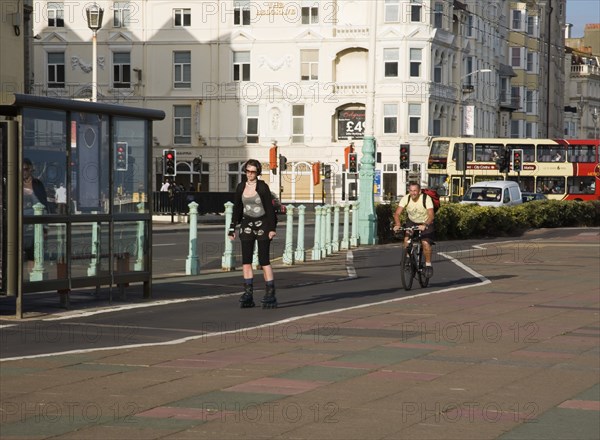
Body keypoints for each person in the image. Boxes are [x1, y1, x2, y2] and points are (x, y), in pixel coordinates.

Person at [228, 159, 278, 308]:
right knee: (246, 260)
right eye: (247, 171)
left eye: (253, 172)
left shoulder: (262, 187)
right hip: (247, 224)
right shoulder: (240, 187)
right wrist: (232, 227)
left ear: (258, 173)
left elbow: (270, 209)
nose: (250, 174)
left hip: (263, 224)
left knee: (264, 261)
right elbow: (237, 208)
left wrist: (272, 229)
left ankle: (270, 293)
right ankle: (248, 293)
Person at [392, 182, 435, 278]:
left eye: (415, 190)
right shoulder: (406, 198)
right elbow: (397, 214)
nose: (413, 193)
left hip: (426, 221)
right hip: (412, 221)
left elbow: (431, 215)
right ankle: (408, 259)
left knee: (425, 243)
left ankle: (428, 264)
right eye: (411, 190)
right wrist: (398, 224)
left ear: (419, 191)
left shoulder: (425, 199)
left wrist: (425, 224)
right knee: (406, 240)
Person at [23, 158, 49, 264]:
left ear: (30, 169)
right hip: (19, 226)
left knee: (32, 258)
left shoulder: (38, 184)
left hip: (34, 228)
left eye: (25, 169)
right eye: (20, 169)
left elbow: (44, 205)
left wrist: (45, 228)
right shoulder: (13, 183)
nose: (23, 172)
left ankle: (31, 279)